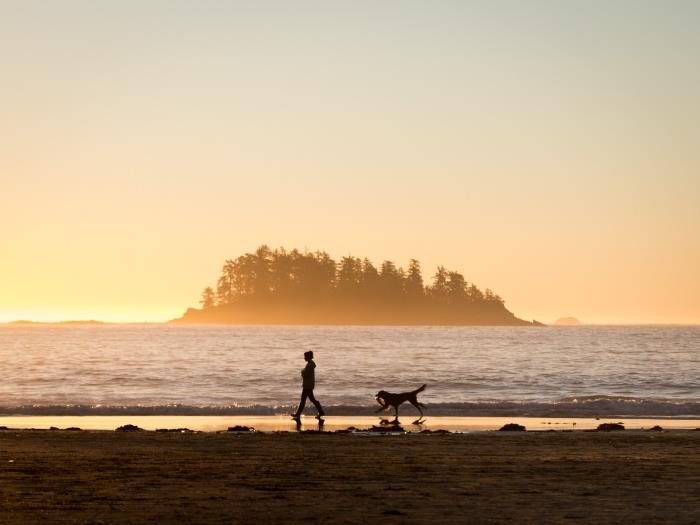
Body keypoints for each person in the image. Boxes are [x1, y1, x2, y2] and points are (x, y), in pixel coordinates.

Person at [291, 350, 325, 420]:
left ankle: (298, 414)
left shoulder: (309, 365)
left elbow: (305, 374)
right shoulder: (310, 364)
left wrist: (302, 371)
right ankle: (320, 411)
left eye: (305, 356)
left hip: (307, 385)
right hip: (309, 385)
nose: (304, 358)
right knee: (311, 399)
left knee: (304, 400)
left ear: (308, 357)